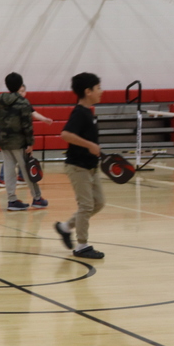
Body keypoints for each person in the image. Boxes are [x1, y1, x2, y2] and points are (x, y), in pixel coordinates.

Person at [55, 73, 105, 259]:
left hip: (91, 167)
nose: (101, 91)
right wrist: (90, 145)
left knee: (98, 203)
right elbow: (65, 134)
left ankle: (65, 227)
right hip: (78, 167)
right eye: (98, 88)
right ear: (88, 91)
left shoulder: (88, 112)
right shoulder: (79, 112)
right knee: (86, 205)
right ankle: (82, 245)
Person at [0, 73, 47, 211]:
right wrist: (30, 143)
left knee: (9, 170)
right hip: (19, 143)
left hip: (4, 141)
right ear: (20, 85)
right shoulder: (23, 102)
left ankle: (12, 200)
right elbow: (27, 124)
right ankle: (37, 198)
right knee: (27, 169)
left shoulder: (0, 101)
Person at [0, 84, 53, 187]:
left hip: (14, 137)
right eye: (19, 91)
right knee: (13, 158)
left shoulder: (24, 104)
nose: (21, 93)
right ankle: (3, 178)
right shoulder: (13, 104)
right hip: (15, 137)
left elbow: (34, 113)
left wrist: (44, 119)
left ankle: (20, 177)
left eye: (22, 91)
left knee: (20, 157)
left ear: (25, 92)